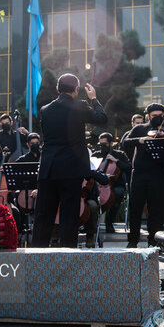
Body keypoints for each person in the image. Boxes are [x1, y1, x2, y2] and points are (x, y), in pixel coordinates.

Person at [32, 73, 107, 248]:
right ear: (75, 89)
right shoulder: (79, 106)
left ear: (59, 89)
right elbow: (102, 119)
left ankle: (36, 258)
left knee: (43, 217)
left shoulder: (46, 109)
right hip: (70, 170)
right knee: (69, 217)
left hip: (48, 169)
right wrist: (94, 99)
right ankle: (67, 257)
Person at [122, 103, 164, 247]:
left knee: (156, 210)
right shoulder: (139, 128)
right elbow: (125, 142)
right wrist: (140, 140)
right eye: (154, 116)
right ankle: (132, 241)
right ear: (148, 116)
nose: (157, 118)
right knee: (135, 208)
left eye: (160, 116)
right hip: (139, 175)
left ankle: (154, 241)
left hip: (158, 175)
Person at [91, 132, 131, 233]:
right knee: (90, 195)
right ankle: (91, 224)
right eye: (100, 145)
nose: (102, 147)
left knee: (117, 194)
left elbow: (129, 167)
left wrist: (116, 161)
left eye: (104, 145)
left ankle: (109, 223)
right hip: (98, 185)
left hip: (115, 184)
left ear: (111, 143)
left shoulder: (119, 154)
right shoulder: (96, 154)